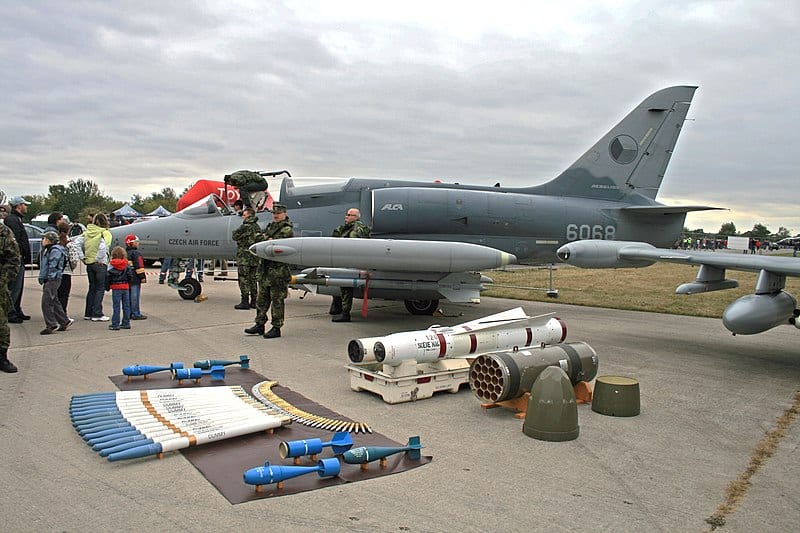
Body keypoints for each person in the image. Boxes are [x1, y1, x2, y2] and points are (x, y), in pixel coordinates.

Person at [244, 203, 293, 339]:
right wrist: (267, 239)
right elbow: (260, 240)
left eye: (278, 213)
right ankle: (260, 324)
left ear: (284, 214)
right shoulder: (271, 227)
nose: (275, 215)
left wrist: (267, 240)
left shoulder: (286, 229)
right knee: (262, 300)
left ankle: (276, 327)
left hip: (278, 272)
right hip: (266, 270)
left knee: (277, 301)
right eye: (274, 213)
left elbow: (274, 245)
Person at [330, 207, 371, 322]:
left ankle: (345, 314)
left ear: (356, 217)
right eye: (346, 214)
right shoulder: (348, 228)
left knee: (346, 288)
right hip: (347, 262)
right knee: (342, 285)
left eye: (349, 215)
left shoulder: (356, 229)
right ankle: (337, 307)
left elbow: (350, 246)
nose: (346, 217)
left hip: (350, 263)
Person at [77, 213, 112, 321]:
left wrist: (82, 257)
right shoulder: (105, 233)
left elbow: (77, 243)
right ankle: (97, 313)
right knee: (100, 288)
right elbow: (104, 247)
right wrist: (99, 259)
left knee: (92, 287)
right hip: (99, 264)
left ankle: (88, 312)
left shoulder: (87, 232)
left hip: (89, 263)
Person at [37, 231, 74, 335]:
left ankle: (51, 324)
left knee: (46, 301)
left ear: (49, 240)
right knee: (54, 300)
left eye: (44, 239)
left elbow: (53, 265)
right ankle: (64, 321)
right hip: (51, 278)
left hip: (52, 278)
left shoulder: (55, 250)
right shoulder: (49, 250)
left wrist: (49, 277)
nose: (42, 241)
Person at [0, 199, 21, 372]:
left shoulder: (3, 232)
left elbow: (14, 258)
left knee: (1, 324)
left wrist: (4, 280)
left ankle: (2, 357)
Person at [5, 196, 31, 323]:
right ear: (19, 206)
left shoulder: (17, 219)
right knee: (14, 287)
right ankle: (11, 312)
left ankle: (16, 309)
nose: (26, 207)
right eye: (24, 204)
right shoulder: (12, 220)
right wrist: (19, 255)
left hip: (19, 258)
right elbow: (15, 240)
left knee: (18, 287)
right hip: (15, 259)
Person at [232, 207, 262, 310]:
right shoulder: (257, 227)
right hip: (254, 258)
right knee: (253, 280)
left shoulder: (244, 227)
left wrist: (240, 239)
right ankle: (254, 301)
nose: (243, 217)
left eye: (244, 215)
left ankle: (244, 302)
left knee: (243, 279)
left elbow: (234, 236)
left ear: (249, 216)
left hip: (244, 258)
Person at [106, 246, 132, 330]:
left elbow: (108, 277)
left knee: (116, 306)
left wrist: (107, 286)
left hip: (116, 287)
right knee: (126, 306)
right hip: (125, 287)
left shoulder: (111, 265)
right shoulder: (126, 264)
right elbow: (130, 275)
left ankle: (115, 324)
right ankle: (126, 322)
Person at [57, 220, 78, 314]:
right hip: (66, 272)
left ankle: (56, 313)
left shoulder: (55, 243)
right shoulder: (70, 244)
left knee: (56, 294)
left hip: (56, 272)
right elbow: (74, 259)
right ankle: (63, 313)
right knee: (64, 295)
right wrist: (72, 267)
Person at [125, 234, 148, 320]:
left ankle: (129, 313)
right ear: (133, 243)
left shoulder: (125, 253)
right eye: (137, 242)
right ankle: (136, 313)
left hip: (127, 278)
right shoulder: (137, 253)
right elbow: (139, 266)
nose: (138, 244)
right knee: (135, 297)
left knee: (128, 297)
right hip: (135, 278)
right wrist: (142, 277)